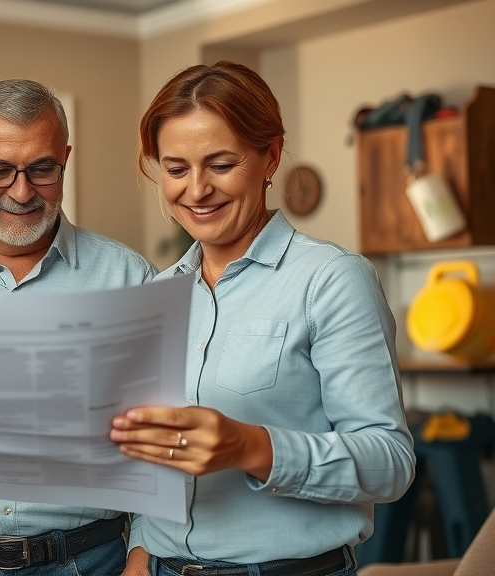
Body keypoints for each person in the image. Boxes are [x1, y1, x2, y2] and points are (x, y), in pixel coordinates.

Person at [109, 61, 415, 576]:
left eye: (220, 165)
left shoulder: (331, 280)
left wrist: (251, 446)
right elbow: (152, 454)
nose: (196, 190)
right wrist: (141, 548)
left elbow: (390, 463)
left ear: (270, 156)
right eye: (176, 169)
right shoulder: (156, 295)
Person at [0, 78, 157, 575]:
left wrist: (141, 555)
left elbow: (158, 444)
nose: (21, 192)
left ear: (65, 161)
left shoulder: (131, 280)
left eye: (41, 169)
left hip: (90, 562)